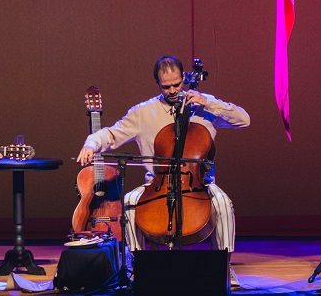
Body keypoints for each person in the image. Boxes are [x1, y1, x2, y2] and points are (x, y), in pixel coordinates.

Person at [76, 55, 250, 287]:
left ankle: (223, 267)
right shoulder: (143, 112)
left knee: (222, 203)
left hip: (201, 187)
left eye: (177, 84)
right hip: (156, 186)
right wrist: (91, 144)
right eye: (166, 87)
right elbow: (111, 134)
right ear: (157, 83)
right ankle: (137, 267)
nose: (173, 91)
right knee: (130, 202)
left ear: (184, 79)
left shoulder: (202, 105)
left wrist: (208, 103)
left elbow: (243, 119)